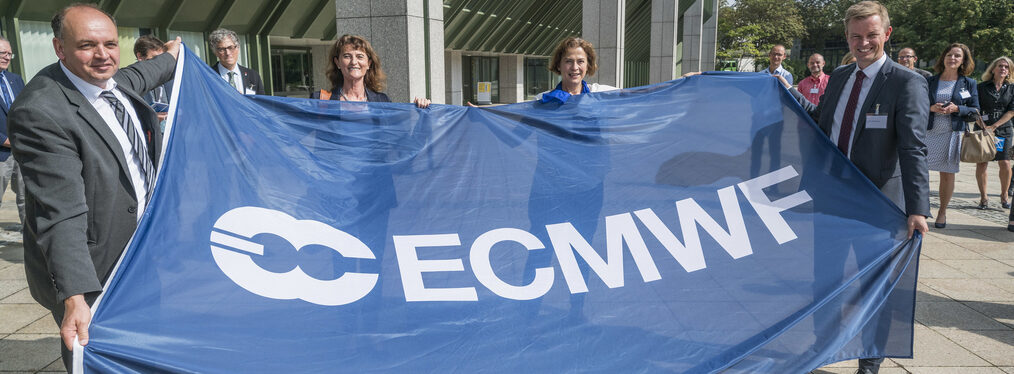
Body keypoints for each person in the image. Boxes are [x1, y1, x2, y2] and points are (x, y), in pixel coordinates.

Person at [7, 4, 180, 370]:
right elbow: (61, 212)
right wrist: (75, 296)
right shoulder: (41, 111)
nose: (103, 55)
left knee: (150, 350)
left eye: (111, 44)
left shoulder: (114, 83)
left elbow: (142, 73)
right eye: (87, 45)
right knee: (100, 358)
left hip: (146, 251)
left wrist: (175, 54)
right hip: (97, 269)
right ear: (59, 48)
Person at [782, 3, 930, 372]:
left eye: (871, 35)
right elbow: (819, 122)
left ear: (887, 35)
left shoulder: (906, 82)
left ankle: (869, 363)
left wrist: (918, 208)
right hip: (831, 199)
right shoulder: (841, 77)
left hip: (878, 205)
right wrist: (781, 90)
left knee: (874, 288)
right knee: (825, 280)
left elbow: (914, 147)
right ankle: (821, 348)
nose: (863, 43)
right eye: (855, 36)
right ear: (847, 37)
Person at [925, 43, 978, 227]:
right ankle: (921, 209)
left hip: (951, 133)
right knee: (920, 172)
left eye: (957, 56)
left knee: (947, 174)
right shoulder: (930, 80)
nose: (952, 58)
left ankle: (942, 213)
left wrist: (958, 108)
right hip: (928, 132)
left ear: (963, 61)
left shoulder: (968, 83)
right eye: (949, 54)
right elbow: (916, 105)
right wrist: (931, 107)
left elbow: (975, 110)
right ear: (943, 57)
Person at [312, 34, 429, 107]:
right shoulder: (321, 101)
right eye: (347, 56)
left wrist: (420, 112)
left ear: (368, 63)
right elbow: (298, 133)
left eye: (360, 56)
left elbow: (396, 138)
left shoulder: (382, 101)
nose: (354, 62)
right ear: (337, 62)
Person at [974, 57, 1014, 210]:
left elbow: (1011, 111)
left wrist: (994, 126)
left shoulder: (1012, 88)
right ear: (993, 69)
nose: (1003, 69)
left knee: (1005, 162)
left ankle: (1004, 196)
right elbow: (975, 109)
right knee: (982, 162)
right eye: (1000, 66)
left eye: (1006, 67)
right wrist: (984, 126)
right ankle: (983, 198)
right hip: (982, 129)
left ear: (1009, 71)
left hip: (1004, 130)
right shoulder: (981, 87)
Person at [534, 36, 617, 102]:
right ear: (558, 65)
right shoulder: (542, 100)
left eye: (580, 61)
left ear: (588, 65)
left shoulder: (600, 93)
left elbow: (628, 96)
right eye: (568, 61)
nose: (574, 67)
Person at [0, 36, 25, 226]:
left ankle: (33, 245)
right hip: (2, 153)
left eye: (10, 53)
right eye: (3, 53)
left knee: (27, 199)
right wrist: (4, 140)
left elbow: (26, 110)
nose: (7, 57)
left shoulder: (15, 79)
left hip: (22, 151)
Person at [134, 34, 173, 128]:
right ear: (140, 57)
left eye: (161, 59)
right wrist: (153, 118)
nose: (159, 64)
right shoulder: (131, 82)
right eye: (155, 59)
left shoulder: (171, 77)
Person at [209, 28, 263, 95]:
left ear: (238, 48)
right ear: (215, 52)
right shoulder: (208, 76)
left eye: (230, 47)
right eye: (222, 49)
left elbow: (261, 103)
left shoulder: (253, 76)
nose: (227, 53)